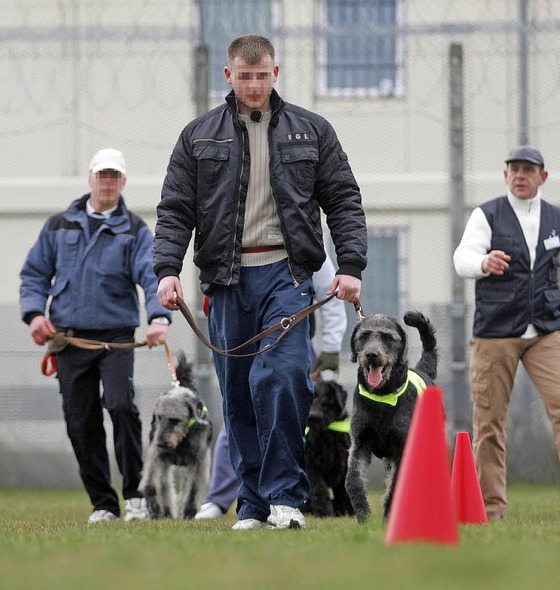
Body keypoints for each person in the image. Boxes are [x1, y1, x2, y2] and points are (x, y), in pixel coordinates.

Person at [153, 34, 367, 530]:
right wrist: (167, 271)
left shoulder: (312, 132)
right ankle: (251, 506)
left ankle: (286, 500)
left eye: (262, 74)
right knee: (239, 394)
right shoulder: (198, 136)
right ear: (228, 76)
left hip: (286, 275)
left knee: (283, 378)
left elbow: (343, 201)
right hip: (226, 281)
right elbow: (175, 210)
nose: (253, 84)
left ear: (277, 73)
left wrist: (351, 266)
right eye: (244, 76)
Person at [453, 145, 560, 520]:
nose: (520, 175)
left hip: (547, 331)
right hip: (495, 331)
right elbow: (462, 258)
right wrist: (483, 261)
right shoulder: (485, 215)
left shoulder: (558, 218)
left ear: (543, 176)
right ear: (504, 175)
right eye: (514, 169)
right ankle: (491, 507)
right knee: (489, 422)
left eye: (528, 169)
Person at [19, 148, 171, 524]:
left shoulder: (134, 229)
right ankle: (103, 504)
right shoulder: (58, 225)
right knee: (79, 420)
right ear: (89, 179)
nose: (107, 182)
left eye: (114, 176)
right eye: (101, 175)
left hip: (116, 338)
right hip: (69, 339)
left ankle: (135, 495)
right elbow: (34, 275)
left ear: (123, 182)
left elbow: (151, 277)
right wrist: (35, 314)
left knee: (120, 405)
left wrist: (158, 318)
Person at [195, 254, 348, 520]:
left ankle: (286, 496)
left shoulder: (303, 229)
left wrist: (332, 346)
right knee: (239, 410)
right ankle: (221, 498)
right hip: (239, 324)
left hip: (292, 335)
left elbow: (328, 288)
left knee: (285, 410)